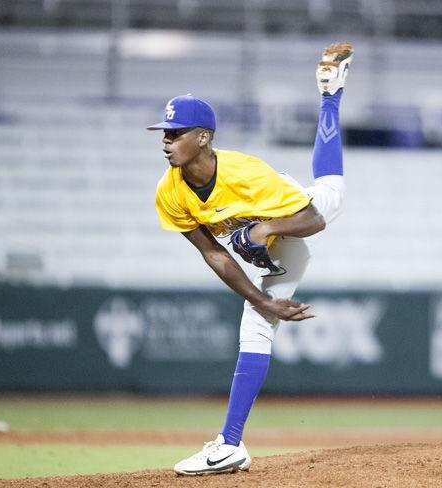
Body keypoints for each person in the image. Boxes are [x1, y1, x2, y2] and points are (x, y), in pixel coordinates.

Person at [148, 42, 353, 475]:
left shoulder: (246, 173)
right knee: (257, 321)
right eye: (164, 133)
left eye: (175, 133)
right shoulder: (170, 192)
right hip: (264, 234)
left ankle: (331, 95)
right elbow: (213, 253)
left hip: (295, 214)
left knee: (331, 191)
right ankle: (230, 444)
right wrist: (264, 301)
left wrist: (266, 228)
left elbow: (314, 221)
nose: (166, 141)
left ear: (202, 137)